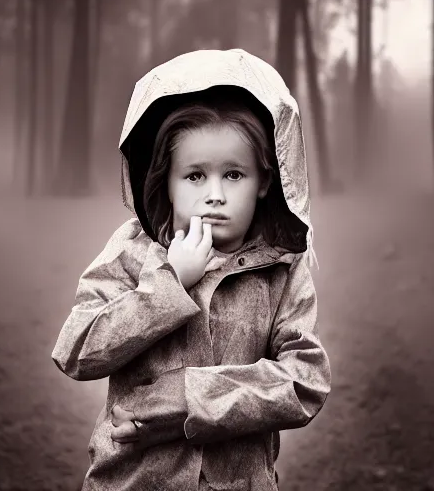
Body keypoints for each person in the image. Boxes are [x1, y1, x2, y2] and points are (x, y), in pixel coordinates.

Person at [52, 48, 331, 491]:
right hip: (131, 481)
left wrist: (184, 400)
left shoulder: (282, 268)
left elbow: (307, 381)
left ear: (264, 182)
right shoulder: (133, 252)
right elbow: (75, 351)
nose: (215, 194)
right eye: (195, 175)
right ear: (165, 179)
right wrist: (167, 286)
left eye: (234, 174)